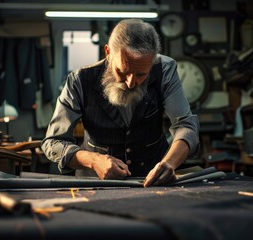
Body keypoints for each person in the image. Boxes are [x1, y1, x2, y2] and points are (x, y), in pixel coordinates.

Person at [41, 18, 200, 187]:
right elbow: (52, 142)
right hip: (94, 184)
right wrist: (93, 160)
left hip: (153, 183)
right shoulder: (79, 80)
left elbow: (186, 125)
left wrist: (170, 163)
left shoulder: (165, 70)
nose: (131, 83)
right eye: (123, 72)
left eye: (141, 75)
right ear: (108, 52)